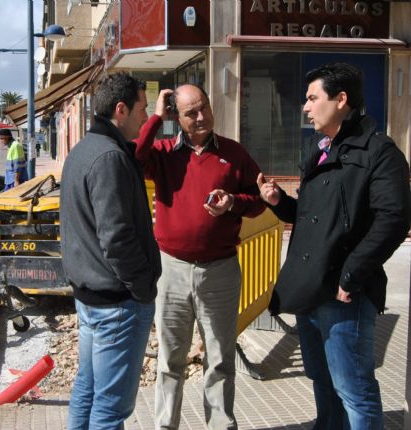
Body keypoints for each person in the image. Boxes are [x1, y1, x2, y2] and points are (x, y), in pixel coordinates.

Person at [256, 62, 410, 429]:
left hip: (344, 294)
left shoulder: (379, 152)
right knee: (322, 381)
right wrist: (279, 202)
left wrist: (351, 274)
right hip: (310, 288)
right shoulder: (319, 148)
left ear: (341, 100)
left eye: (313, 98)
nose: (305, 107)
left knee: (354, 390)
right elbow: (313, 217)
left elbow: (393, 220)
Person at [134, 84, 265, 430]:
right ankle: (166, 425)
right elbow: (135, 159)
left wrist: (234, 202)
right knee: (170, 360)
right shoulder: (164, 153)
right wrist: (155, 117)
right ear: (177, 117)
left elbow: (259, 200)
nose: (202, 116)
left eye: (204, 107)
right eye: (191, 112)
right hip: (171, 270)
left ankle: (221, 424)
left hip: (220, 270)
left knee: (220, 358)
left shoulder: (234, 153)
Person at [61, 72, 161, 430]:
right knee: (110, 409)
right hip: (116, 303)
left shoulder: (85, 150)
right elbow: (117, 237)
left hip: (93, 298)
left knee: (88, 391)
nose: (145, 117)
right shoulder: (108, 157)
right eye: (142, 109)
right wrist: (142, 287)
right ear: (121, 109)